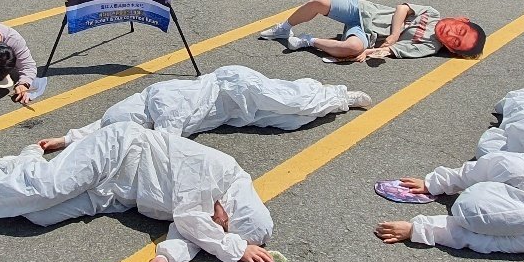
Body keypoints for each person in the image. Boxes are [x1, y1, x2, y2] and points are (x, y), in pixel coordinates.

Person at [0, 122, 276, 262]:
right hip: (118, 151)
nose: (219, 225)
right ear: (233, 205)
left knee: (40, 216)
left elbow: (196, 235)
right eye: (225, 223)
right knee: (50, 186)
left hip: (117, 195)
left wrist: (164, 260)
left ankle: (17, 166)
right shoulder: (218, 169)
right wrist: (235, 249)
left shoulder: (216, 216)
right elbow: (192, 220)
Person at [375, 89, 524, 254]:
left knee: (487, 147)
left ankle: (504, 129)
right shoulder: (522, 175)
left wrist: (417, 229)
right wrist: (434, 183)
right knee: (520, 118)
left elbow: (478, 239)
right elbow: (487, 168)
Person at [37, 65, 372, 153]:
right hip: (232, 113)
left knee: (296, 101)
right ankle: (336, 103)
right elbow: (104, 126)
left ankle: (341, 94)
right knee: (289, 122)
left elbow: (164, 146)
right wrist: (68, 140)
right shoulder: (133, 112)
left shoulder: (161, 100)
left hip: (235, 86)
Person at [259, 0, 486, 61]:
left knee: (352, 47)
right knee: (320, 2)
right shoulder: (432, 13)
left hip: (367, 34)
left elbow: (393, 51)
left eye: (456, 41)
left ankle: (308, 40)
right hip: (366, 11)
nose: (452, 34)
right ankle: (284, 28)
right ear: (462, 19)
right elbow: (401, 9)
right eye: (461, 30)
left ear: (452, 49)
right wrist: (396, 34)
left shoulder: (429, 46)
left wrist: (367, 53)